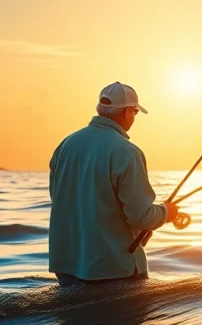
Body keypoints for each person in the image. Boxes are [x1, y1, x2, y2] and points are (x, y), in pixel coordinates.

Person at [49, 82, 178, 287]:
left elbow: (60, 199)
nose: (134, 117)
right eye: (135, 111)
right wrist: (166, 212)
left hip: (66, 265)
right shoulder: (127, 152)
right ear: (127, 112)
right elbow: (141, 216)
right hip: (112, 270)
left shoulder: (66, 145)